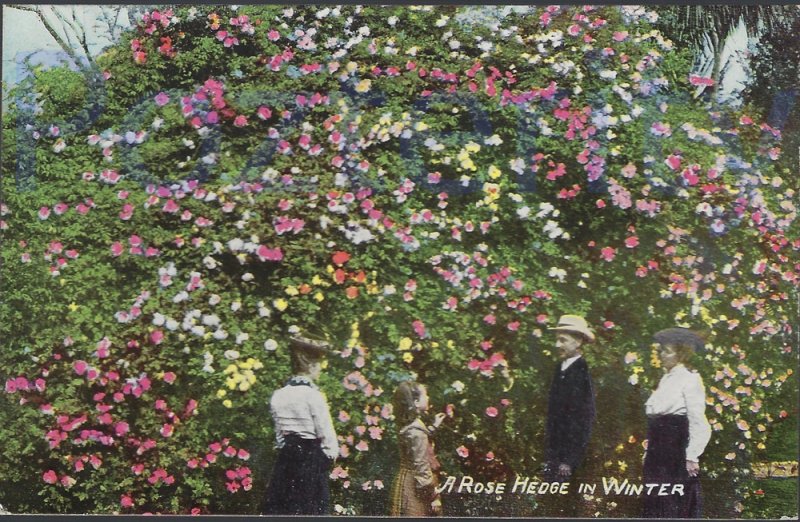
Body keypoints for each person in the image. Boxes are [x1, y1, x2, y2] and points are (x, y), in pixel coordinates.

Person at [263, 332, 338, 515]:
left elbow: (280, 437)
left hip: (286, 459)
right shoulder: (313, 396)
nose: (320, 368)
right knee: (310, 508)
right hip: (310, 459)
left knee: (286, 507)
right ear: (311, 365)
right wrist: (325, 460)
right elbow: (327, 437)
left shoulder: (278, 395)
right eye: (319, 364)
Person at [642, 327, 711, 518]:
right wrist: (649, 450)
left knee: (673, 501)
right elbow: (656, 420)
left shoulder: (690, 379)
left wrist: (692, 455)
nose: (662, 355)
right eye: (661, 350)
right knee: (655, 499)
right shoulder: (665, 379)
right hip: (658, 451)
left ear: (680, 355)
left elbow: (698, 420)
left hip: (675, 450)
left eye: (667, 351)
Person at [543, 314, 597, 484]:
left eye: (563, 340)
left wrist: (569, 460)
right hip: (554, 453)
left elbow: (582, 418)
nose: (557, 345)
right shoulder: (560, 368)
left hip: (567, 459)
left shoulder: (581, 372)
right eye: (557, 340)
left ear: (578, 342)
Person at [390, 381, 446, 516]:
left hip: (405, 480)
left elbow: (417, 444)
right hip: (416, 487)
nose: (428, 398)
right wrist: (433, 497)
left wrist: (433, 427)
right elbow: (421, 466)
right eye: (425, 395)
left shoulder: (408, 425)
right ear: (415, 402)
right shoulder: (416, 431)